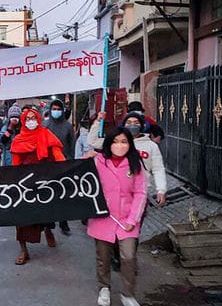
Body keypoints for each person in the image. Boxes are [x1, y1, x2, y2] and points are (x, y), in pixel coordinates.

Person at [87, 127, 146, 306]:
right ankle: (104, 288)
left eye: (124, 142)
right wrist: (85, 158)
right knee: (102, 257)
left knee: (128, 257)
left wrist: (132, 219)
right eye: (115, 141)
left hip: (127, 220)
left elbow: (141, 193)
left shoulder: (136, 164)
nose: (119, 145)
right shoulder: (99, 161)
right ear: (108, 143)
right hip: (103, 218)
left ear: (130, 144)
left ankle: (127, 294)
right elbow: (77, 174)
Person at [9, 109, 66, 265]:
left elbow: (58, 156)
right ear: (23, 120)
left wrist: (67, 170)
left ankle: (48, 229)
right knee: (20, 216)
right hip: (25, 181)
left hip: (45, 179)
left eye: (34, 118)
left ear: (39, 119)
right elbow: (15, 163)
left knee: (46, 210)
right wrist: (14, 182)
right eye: (28, 118)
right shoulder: (19, 139)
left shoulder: (46, 134)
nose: (31, 120)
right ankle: (23, 250)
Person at [43, 99, 75, 235]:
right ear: (50, 110)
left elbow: (72, 144)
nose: (56, 111)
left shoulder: (68, 126)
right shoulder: (45, 125)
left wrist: (71, 162)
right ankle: (49, 220)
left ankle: (64, 221)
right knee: (50, 193)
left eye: (58, 109)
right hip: (48, 164)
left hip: (64, 162)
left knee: (63, 194)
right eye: (54, 109)